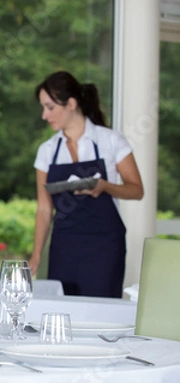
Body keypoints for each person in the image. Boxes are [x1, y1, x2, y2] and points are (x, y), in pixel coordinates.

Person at [28, 71, 144, 298]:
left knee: (101, 314)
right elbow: (44, 208)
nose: (44, 115)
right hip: (64, 246)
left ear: (71, 103)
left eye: (50, 107)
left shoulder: (111, 141)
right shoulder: (47, 151)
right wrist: (36, 255)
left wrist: (104, 186)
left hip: (105, 247)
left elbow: (136, 190)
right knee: (62, 311)